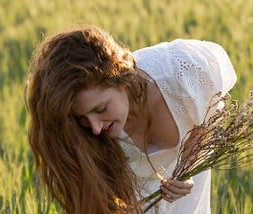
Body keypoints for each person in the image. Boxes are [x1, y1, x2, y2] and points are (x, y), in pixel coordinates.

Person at [25, 25, 237, 214]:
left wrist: (189, 168)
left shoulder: (182, 70)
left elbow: (210, 114)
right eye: (83, 118)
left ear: (120, 78)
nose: (96, 127)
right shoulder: (83, 134)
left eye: (101, 108)